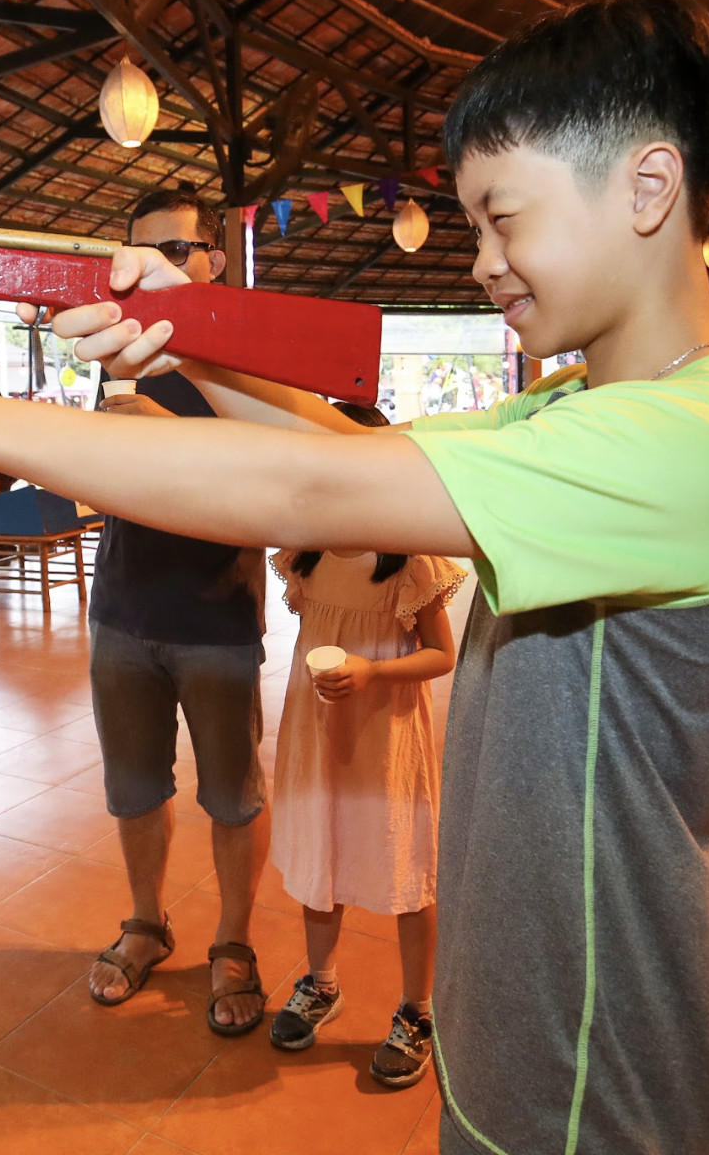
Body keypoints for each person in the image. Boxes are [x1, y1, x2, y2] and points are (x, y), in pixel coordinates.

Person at [0, 0, 709, 1153]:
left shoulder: (704, 441)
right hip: (527, 1032)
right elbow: (346, 455)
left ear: (646, 188)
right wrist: (196, 340)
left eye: (501, 217)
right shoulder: (585, 410)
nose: (483, 263)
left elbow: (310, 496)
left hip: (602, 1073)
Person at [81, 185, 273, 1038]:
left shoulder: (245, 356)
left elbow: (264, 478)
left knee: (232, 797)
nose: (161, 266)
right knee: (132, 791)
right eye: (145, 252)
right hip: (122, 608)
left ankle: (234, 943)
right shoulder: (118, 350)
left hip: (219, 616)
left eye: (180, 252)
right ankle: (147, 923)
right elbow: (109, 464)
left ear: (214, 261)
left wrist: (159, 434)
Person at [264, 400, 463, 1089]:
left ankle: (417, 1008)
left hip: (385, 737)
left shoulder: (408, 557)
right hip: (317, 731)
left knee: (405, 865)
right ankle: (321, 983)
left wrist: (375, 670)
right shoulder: (306, 549)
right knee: (323, 853)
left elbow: (442, 655)